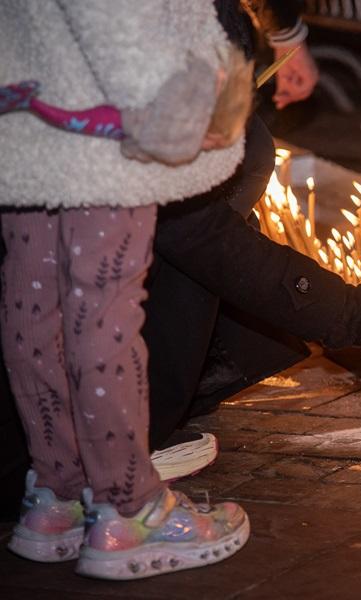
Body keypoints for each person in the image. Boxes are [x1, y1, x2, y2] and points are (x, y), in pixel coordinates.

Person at [0, 0, 256, 579]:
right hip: (106, 117)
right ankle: (128, 507)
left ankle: (57, 494)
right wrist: (172, 105)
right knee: (104, 310)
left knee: (33, 301)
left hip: (28, 103)